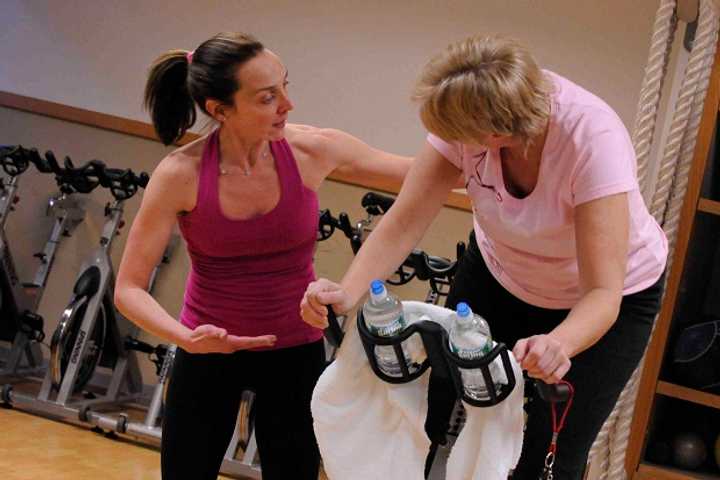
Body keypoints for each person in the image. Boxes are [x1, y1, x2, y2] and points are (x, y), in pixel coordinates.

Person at [301, 34, 668, 479]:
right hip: (499, 275)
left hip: (607, 299)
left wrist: (560, 343)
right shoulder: (472, 118)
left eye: (457, 137)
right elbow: (404, 220)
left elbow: (603, 292)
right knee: (433, 404)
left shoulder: (593, 141)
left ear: (493, 134)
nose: (447, 142)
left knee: (550, 449)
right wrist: (346, 291)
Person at [114, 32, 412, 480]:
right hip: (207, 350)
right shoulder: (181, 174)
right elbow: (128, 288)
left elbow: (423, 176)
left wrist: (492, 159)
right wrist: (185, 337)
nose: (288, 105)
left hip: (295, 349)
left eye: (285, 88)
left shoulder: (312, 149)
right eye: (268, 97)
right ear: (220, 110)